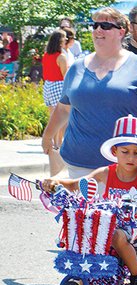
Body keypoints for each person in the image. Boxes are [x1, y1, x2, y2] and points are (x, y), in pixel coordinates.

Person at [42, 115, 137, 285]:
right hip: (108, 226)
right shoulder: (106, 172)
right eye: (125, 151)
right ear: (115, 151)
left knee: (117, 235)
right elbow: (75, 184)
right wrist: (55, 182)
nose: (130, 157)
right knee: (87, 262)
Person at [41, 7, 137, 179]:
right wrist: (47, 136)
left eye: (106, 25)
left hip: (125, 167)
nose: (98, 30)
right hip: (79, 163)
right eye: (95, 25)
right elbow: (63, 109)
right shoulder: (77, 67)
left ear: (121, 32)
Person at [42, 29, 69, 177]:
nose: (65, 41)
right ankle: (58, 144)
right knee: (61, 117)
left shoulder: (46, 55)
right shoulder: (61, 56)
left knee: (52, 115)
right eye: (64, 39)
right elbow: (65, 75)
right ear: (60, 41)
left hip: (48, 85)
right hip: (59, 85)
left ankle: (54, 143)